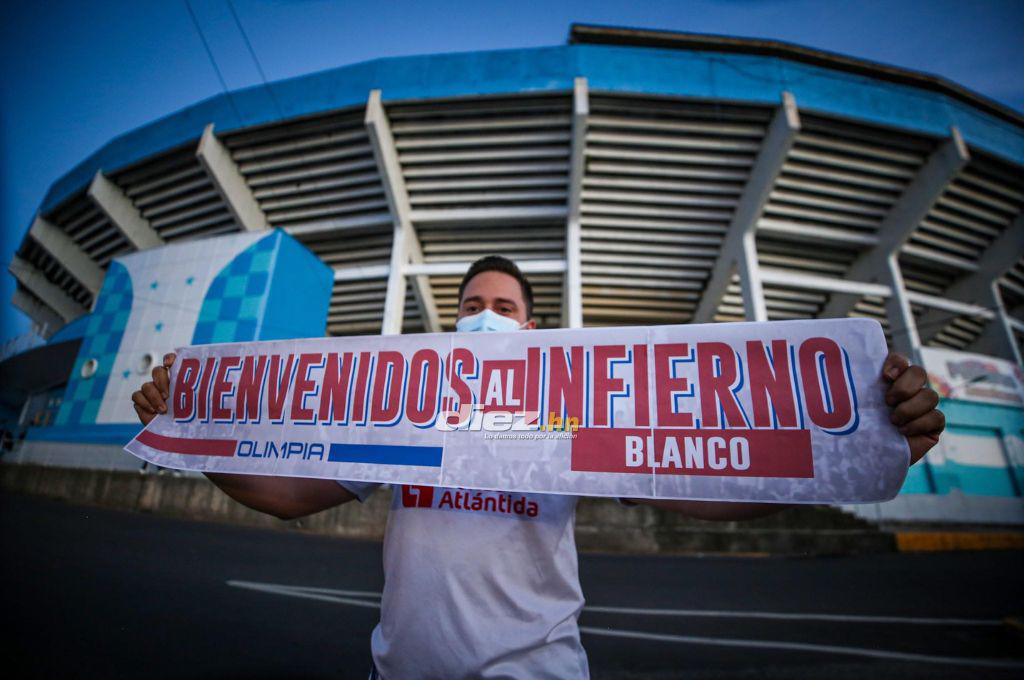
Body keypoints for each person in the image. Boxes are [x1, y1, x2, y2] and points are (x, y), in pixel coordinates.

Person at [132, 255, 944, 679]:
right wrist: (190, 438)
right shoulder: (404, 415)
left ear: (533, 330)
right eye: (472, 306)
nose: (485, 318)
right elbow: (283, 494)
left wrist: (856, 452)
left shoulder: (569, 414)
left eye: (505, 308)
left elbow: (699, 494)